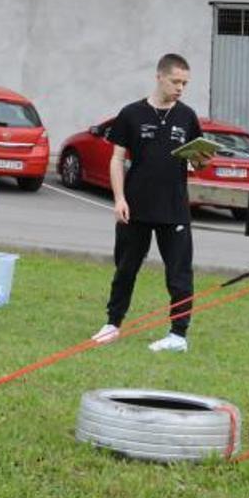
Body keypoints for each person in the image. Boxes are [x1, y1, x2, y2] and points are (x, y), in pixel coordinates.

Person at [91, 53, 209, 352]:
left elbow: (198, 164)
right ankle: (112, 324)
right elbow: (117, 160)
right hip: (136, 207)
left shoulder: (188, 116)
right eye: (175, 81)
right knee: (126, 268)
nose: (180, 88)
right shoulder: (131, 113)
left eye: (185, 83)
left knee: (179, 274)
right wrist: (119, 199)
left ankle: (178, 335)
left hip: (175, 209)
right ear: (159, 77)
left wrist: (202, 159)